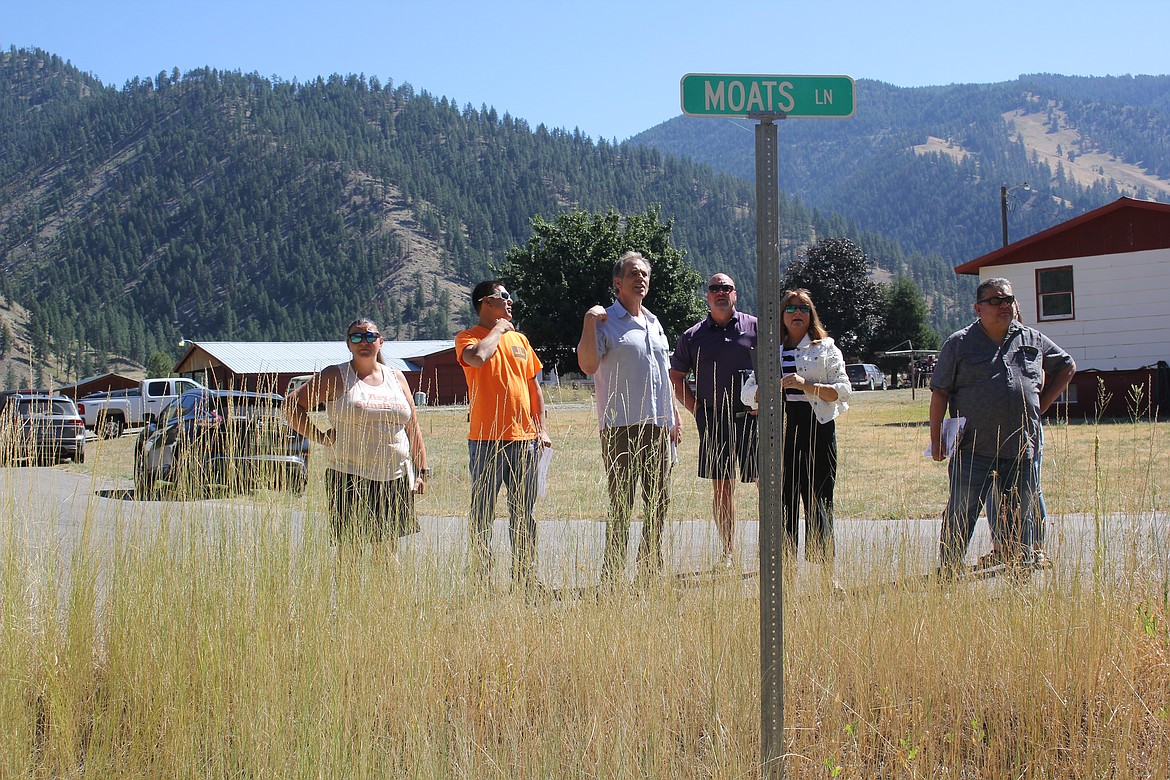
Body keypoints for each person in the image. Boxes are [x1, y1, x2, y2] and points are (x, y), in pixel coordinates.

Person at [930, 278, 1075, 574]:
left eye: (1008, 299)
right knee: (962, 511)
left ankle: (1019, 569)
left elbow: (1066, 365)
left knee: (1020, 513)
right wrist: (936, 440)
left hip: (1020, 447)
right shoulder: (959, 343)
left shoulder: (1031, 338)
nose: (1004, 306)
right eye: (995, 301)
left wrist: (1041, 404)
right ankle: (948, 570)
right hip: (974, 448)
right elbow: (940, 392)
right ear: (978, 308)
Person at [577, 251, 682, 583]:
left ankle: (649, 571)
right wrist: (587, 323)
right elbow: (589, 365)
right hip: (620, 426)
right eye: (634, 274)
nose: (641, 279)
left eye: (645, 275)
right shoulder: (606, 320)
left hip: (656, 424)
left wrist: (674, 414)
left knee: (658, 503)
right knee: (621, 503)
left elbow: (663, 372)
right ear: (618, 282)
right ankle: (611, 575)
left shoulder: (653, 322)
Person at [283, 318, 428, 551]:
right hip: (349, 475)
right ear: (348, 344)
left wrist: (421, 469)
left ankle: (385, 590)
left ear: (381, 342)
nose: (364, 342)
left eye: (370, 336)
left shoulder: (396, 377)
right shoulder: (335, 375)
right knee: (349, 552)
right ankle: (348, 590)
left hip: (394, 475)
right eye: (357, 337)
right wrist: (320, 437)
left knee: (388, 552)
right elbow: (291, 406)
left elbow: (412, 424)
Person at [456, 280, 551, 591]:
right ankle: (481, 577)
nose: (511, 301)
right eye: (504, 297)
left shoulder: (521, 341)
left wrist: (542, 429)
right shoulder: (468, 338)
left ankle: (526, 576)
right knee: (482, 510)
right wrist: (498, 329)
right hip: (485, 439)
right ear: (486, 302)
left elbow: (534, 387)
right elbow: (477, 359)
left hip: (524, 439)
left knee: (524, 511)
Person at [669, 273, 757, 568]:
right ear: (707, 296)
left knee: (764, 483)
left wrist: (766, 403)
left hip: (751, 419)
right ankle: (728, 552)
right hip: (713, 419)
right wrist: (696, 410)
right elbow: (676, 377)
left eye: (726, 288)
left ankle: (770, 546)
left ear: (736, 294)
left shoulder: (756, 328)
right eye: (715, 289)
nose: (720, 293)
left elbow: (774, 369)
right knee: (722, 486)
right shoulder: (693, 336)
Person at [770, 289, 851, 563]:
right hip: (782, 431)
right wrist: (761, 392)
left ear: (811, 315)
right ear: (782, 315)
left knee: (820, 502)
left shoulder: (826, 348)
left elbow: (843, 390)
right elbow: (749, 391)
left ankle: (825, 573)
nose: (797, 314)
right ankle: (785, 569)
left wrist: (807, 386)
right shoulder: (771, 350)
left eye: (803, 308)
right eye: (791, 309)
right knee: (785, 502)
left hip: (818, 428)